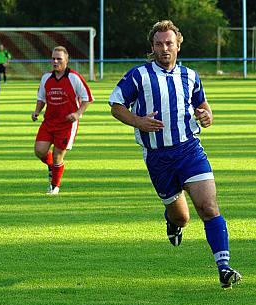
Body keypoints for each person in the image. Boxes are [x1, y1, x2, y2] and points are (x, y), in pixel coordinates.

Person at [109, 20, 242, 289]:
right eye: (159, 44)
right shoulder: (139, 75)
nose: (164, 48)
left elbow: (201, 103)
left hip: (189, 150)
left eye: (169, 43)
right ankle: (173, 223)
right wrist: (138, 121)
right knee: (182, 216)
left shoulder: (191, 76)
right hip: (158, 158)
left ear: (178, 45)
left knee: (208, 207)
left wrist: (207, 115)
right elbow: (115, 105)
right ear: (152, 47)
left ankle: (224, 267)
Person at [31, 46, 93, 195]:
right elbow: (41, 98)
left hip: (67, 124)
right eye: (53, 58)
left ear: (66, 60)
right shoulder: (46, 77)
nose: (55, 61)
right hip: (49, 122)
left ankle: (54, 186)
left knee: (58, 155)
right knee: (39, 151)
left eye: (59, 59)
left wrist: (77, 114)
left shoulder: (74, 77)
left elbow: (87, 99)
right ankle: (53, 167)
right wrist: (37, 111)